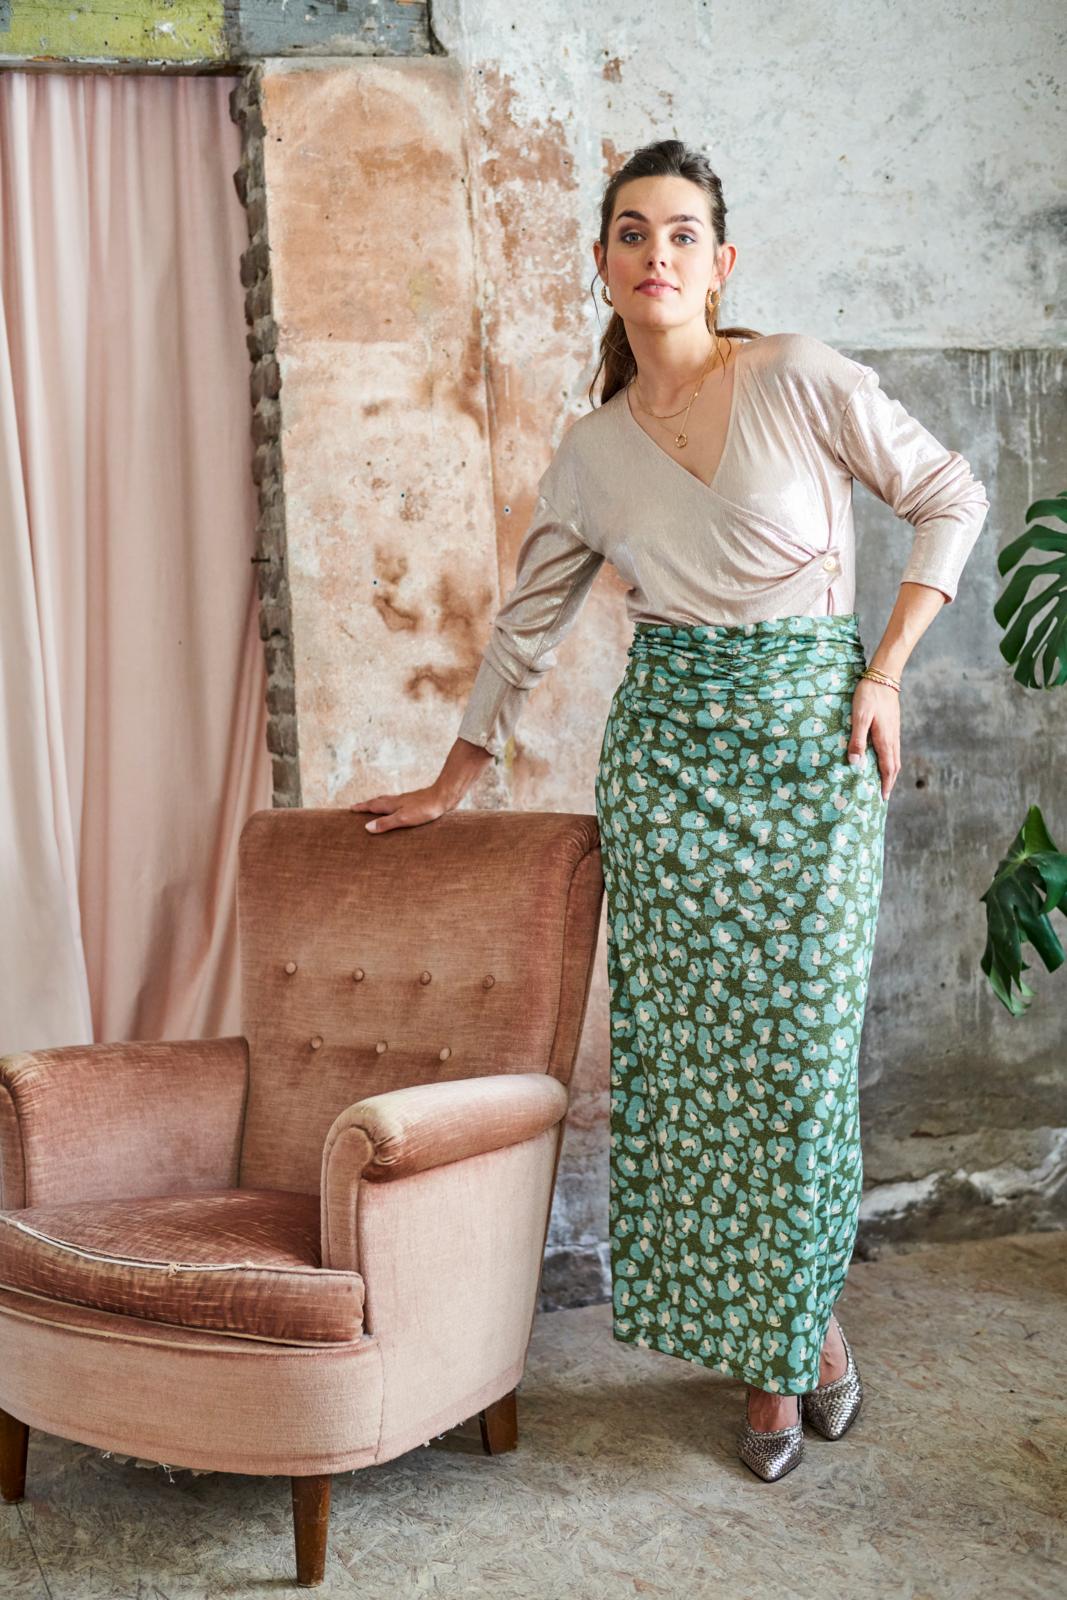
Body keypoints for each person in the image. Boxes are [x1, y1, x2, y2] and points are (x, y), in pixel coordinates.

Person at [349, 139, 989, 1482]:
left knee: (798, 1070)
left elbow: (950, 495)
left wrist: (883, 672)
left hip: (813, 751)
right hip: (669, 773)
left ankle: (789, 1342)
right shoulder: (593, 452)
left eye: (683, 233)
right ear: (603, 263)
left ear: (722, 261)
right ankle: (790, 1349)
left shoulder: (797, 376)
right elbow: (526, 629)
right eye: (633, 233)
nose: (658, 255)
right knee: (696, 1075)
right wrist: (451, 780)